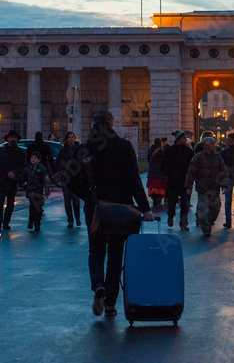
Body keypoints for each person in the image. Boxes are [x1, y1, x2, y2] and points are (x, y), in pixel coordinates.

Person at [66, 109, 153, 318]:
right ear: (111, 123)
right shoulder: (124, 146)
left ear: (94, 123)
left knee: (96, 251)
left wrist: (87, 195)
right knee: (115, 257)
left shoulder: (84, 149)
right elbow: (134, 180)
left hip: (95, 209)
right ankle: (110, 304)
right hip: (121, 210)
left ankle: (98, 285)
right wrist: (145, 208)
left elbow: (67, 178)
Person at [185, 134, 229, 237]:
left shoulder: (217, 157)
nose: (214, 145)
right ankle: (205, 229)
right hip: (202, 188)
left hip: (214, 188)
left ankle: (207, 222)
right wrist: (188, 186)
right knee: (203, 210)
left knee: (216, 208)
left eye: (214, 143)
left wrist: (224, 185)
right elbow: (191, 172)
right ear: (206, 145)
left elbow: (223, 171)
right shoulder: (198, 157)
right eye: (212, 143)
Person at [0, 130, 27, 230]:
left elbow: (23, 166)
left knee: (10, 203)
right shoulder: (0, 151)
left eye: (15, 138)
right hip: (1, 179)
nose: (13, 139)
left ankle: (6, 222)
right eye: (11, 137)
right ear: (7, 138)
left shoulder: (21, 152)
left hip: (13, 181)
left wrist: (15, 173)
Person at [161, 130, 194, 231]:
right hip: (173, 181)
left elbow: (192, 166)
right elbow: (163, 166)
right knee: (172, 202)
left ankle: (183, 223)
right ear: (179, 139)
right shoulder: (169, 151)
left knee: (185, 203)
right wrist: (169, 174)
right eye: (184, 138)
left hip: (184, 181)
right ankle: (170, 216)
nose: (186, 140)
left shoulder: (188, 151)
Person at [55, 131, 84, 227]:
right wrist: (61, 170)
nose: (72, 139)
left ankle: (77, 218)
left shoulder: (78, 149)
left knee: (76, 200)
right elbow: (57, 163)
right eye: (70, 137)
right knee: (67, 202)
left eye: (73, 137)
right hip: (65, 179)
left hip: (76, 178)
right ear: (66, 139)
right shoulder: (63, 150)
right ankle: (70, 221)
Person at [23, 150, 50, 231]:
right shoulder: (27, 168)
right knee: (32, 206)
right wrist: (23, 184)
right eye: (32, 158)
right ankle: (31, 220)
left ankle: (37, 222)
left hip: (38, 191)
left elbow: (46, 181)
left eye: (35, 158)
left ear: (39, 160)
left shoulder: (42, 169)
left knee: (38, 207)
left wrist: (46, 192)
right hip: (30, 190)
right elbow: (23, 177)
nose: (33, 160)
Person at [146, 138, 167, 209]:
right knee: (159, 187)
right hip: (159, 172)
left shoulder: (150, 150)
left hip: (152, 171)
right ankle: (158, 198)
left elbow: (148, 160)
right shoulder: (161, 151)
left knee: (153, 186)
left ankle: (154, 197)